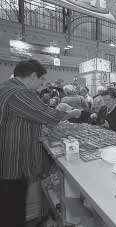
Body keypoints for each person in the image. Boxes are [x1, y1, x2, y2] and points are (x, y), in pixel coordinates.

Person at [0, 60, 82, 227]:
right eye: (41, 80)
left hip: (7, 156)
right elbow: (49, 116)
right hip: (13, 160)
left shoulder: (5, 87)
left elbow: (24, 118)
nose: (42, 84)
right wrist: (71, 112)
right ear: (32, 76)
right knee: (12, 206)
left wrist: (40, 130)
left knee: (10, 204)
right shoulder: (19, 93)